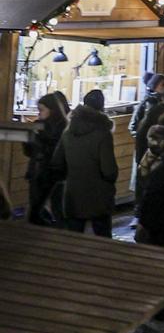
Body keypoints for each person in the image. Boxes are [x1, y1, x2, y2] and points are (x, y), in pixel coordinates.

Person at [52, 88, 118, 236]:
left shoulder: (68, 131)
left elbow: (57, 162)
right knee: (103, 243)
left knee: (74, 242)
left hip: (73, 194)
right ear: (102, 106)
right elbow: (109, 170)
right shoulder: (103, 133)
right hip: (99, 196)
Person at [23, 91, 67, 225]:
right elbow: (30, 152)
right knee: (36, 210)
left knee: (47, 211)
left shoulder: (61, 128)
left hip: (51, 174)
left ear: (52, 110)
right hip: (38, 173)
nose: (39, 113)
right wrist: (27, 138)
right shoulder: (39, 125)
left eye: (41, 110)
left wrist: (35, 137)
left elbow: (54, 150)